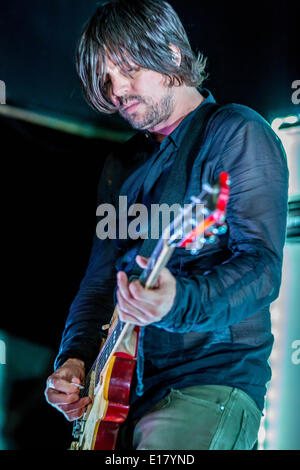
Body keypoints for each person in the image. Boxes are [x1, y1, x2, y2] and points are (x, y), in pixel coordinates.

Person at [44, 0, 289, 450]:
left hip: (210, 383)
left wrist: (177, 302)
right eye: (105, 78)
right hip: (124, 393)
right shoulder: (122, 164)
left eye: (127, 69)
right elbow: (100, 283)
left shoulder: (237, 133)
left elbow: (261, 270)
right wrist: (76, 359)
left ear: (173, 55)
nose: (116, 90)